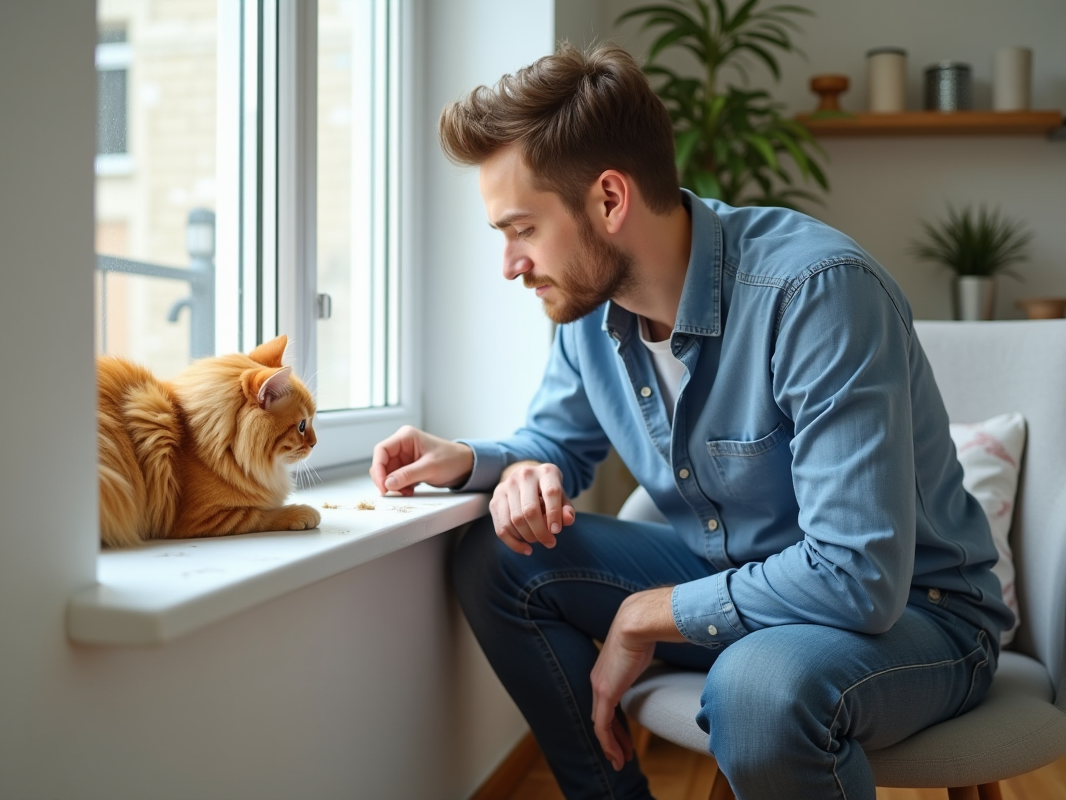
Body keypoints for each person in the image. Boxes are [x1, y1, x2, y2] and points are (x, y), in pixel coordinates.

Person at [369, 42, 1013, 800]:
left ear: (610, 200)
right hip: (736, 579)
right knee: (500, 554)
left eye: (522, 230)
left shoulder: (816, 293)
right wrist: (489, 464)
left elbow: (857, 575)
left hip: (916, 615)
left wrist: (646, 616)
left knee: (759, 690)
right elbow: (554, 446)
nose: (510, 264)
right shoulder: (589, 315)